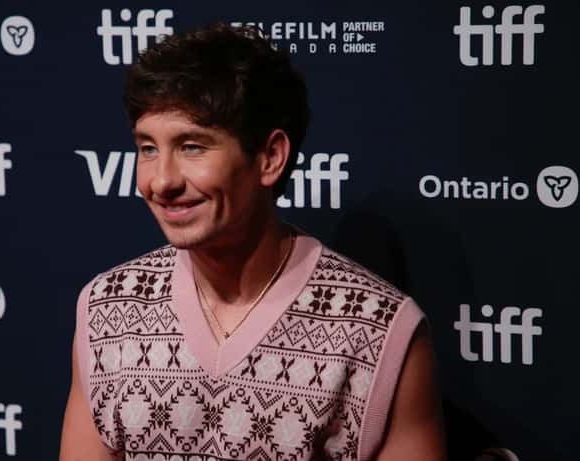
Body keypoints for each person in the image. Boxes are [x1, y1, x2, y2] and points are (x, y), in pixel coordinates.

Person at [60, 24, 446, 461]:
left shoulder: (378, 331)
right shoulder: (108, 309)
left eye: (191, 147)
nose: (161, 181)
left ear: (270, 157)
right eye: (148, 148)